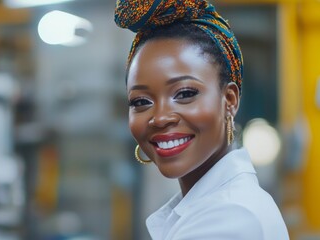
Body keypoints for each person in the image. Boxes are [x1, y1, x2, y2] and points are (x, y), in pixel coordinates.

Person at [114, 0, 289, 239]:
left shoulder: (230, 219)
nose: (161, 117)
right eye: (141, 101)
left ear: (230, 100)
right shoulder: (216, 206)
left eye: (185, 94)